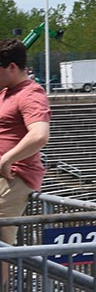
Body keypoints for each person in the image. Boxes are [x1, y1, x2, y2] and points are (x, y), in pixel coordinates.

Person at [0, 38, 52, 245]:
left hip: (14, 175)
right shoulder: (5, 91)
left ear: (12, 67)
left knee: (1, 244)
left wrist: (7, 159)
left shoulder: (30, 94)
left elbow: (39, 135)